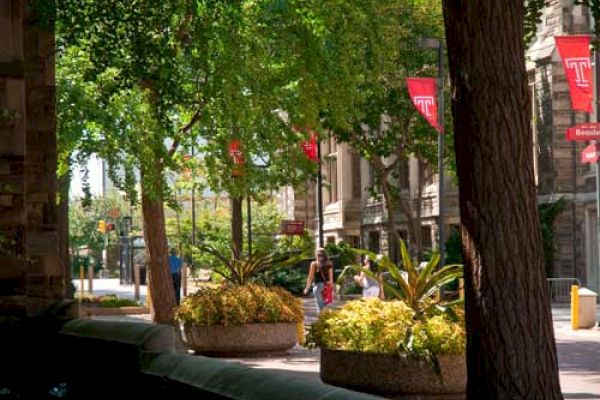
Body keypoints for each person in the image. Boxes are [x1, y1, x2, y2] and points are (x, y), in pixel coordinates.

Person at [303, 248, 334, 312]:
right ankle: (324, 316)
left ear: (316, 255)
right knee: (322, 304)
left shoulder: (314, 264)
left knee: (320, 306)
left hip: (317, 287)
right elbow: (331, 278)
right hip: (326, 286)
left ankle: (322, 318)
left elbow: (310, 277)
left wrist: (307, 288)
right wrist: (331, 287)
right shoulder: (329, 263)